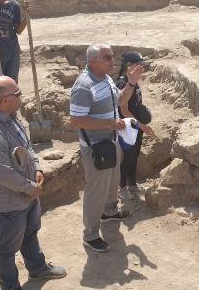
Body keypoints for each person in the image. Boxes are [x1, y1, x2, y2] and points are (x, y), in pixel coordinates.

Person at [0, 76, 66, 290]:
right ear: (4, 100)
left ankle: (37, 268)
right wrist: (30, 188)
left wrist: (38, 167)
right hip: (7, 201)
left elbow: (27, 145)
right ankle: (10, 286)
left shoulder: (10, 116)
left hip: (27, 192)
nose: (21, 96)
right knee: (7, 249)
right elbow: (0, 173)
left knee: (30, 233)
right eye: (17, 93)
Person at [69, 44, 144, 252]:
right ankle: (90, 235)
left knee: (112, 181)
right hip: (96, 147)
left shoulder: (106, 78)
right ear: (93, 61)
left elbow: (120, 100)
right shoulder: (84, 85)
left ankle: (109, 212)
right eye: (107, 57)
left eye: (113, 57)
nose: (113, 61)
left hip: (111, 141)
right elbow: (76, 120)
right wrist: (109, 124)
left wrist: (131, 83)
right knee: (96, 190)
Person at [115, 51, 154, 200]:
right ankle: (122, 188)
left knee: (135, 156)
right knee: (128, 157)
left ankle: (132, 184)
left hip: (136, 126)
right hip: (128, 127)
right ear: (129, 66)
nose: (142, 69)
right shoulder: (122, 83)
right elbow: (124, 110)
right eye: (139, 65)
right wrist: (142, 125)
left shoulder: (133, 81)